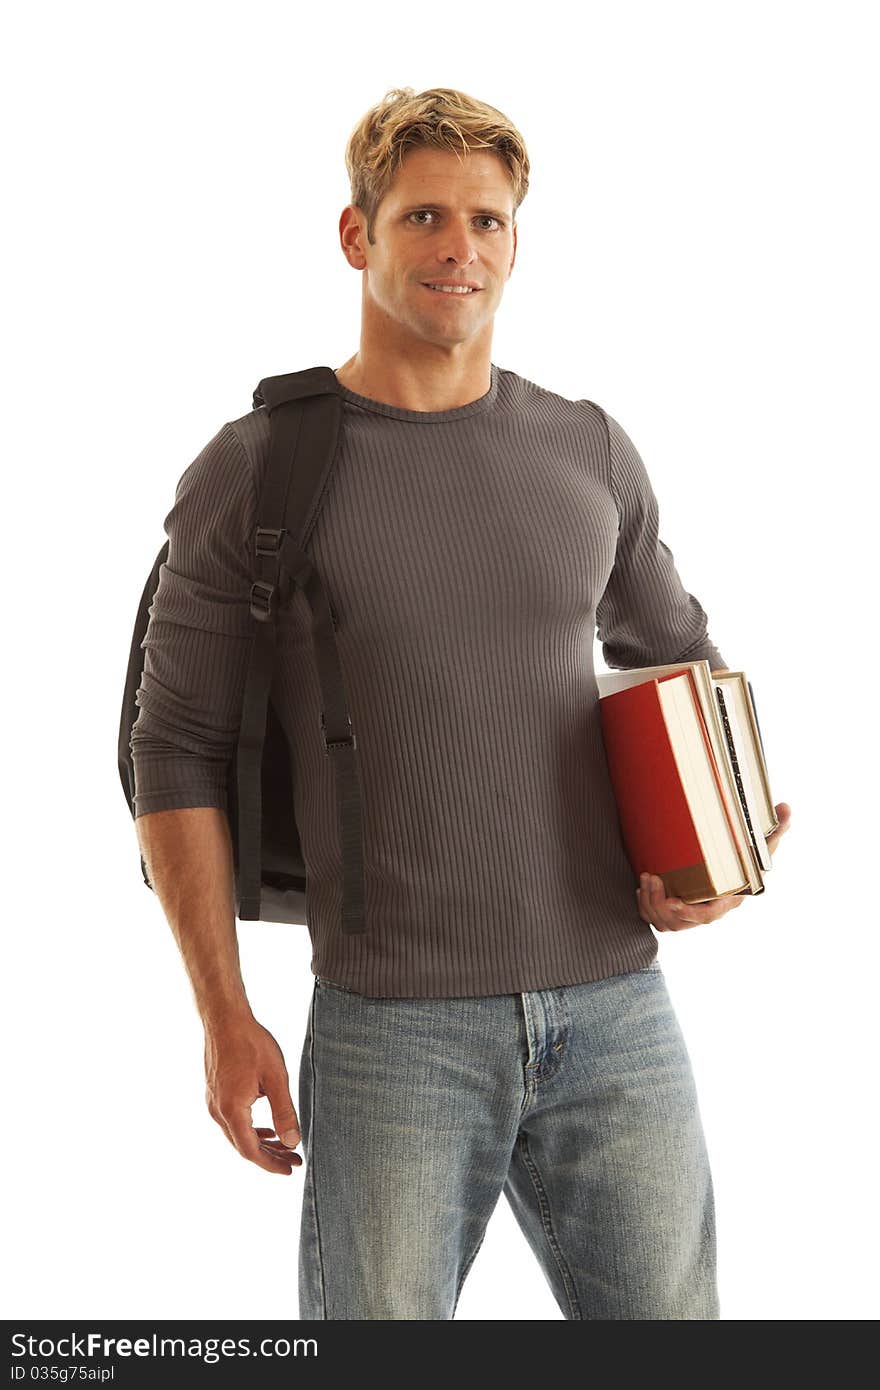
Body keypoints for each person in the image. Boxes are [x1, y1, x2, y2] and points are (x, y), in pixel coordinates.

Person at [130, 85, 791, 1321]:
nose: (458, 249)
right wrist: (224, 1014)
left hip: (616, 1009)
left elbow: (681, 660)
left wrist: (714, 852)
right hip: (393, 1026)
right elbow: (170, 750)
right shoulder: (258, 467)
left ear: (515, 241)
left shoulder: (584, 447)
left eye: (486, 222)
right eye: (424, 215)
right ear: (356, 236)